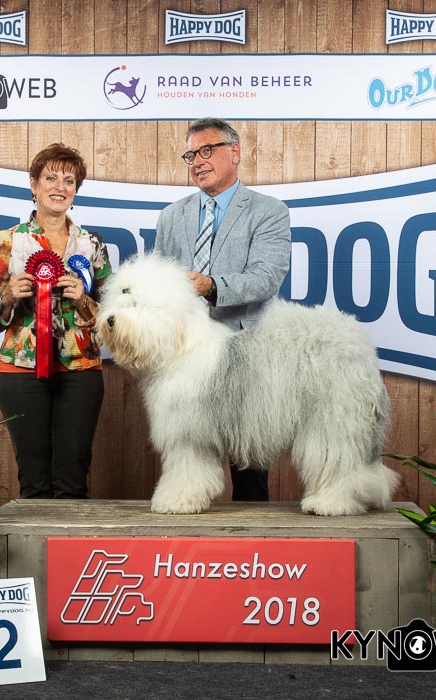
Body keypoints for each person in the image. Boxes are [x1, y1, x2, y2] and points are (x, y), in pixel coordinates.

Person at [155, 118, 291, 501]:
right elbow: (160, 281)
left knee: (249, 466)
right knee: (188, 452)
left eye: (206, 150)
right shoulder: (171, 216)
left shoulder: (269, 211)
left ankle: (254, 536)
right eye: (190, 155)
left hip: (245, 351)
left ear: (235, 152)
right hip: (185, 358)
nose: (197, 161)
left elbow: (266, 278)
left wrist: (211, 286)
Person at [0, 143, 111, 499]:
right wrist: (8, 296)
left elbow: (112, 322)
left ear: (76, 190)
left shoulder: (93, 244)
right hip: (21, 370)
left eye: (69, 181)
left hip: (81, 369)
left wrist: (83, 300)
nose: (59, 187)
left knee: (73, 481)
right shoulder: (6, 241)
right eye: (50, 178)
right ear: (34, 184)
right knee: (34, 482)